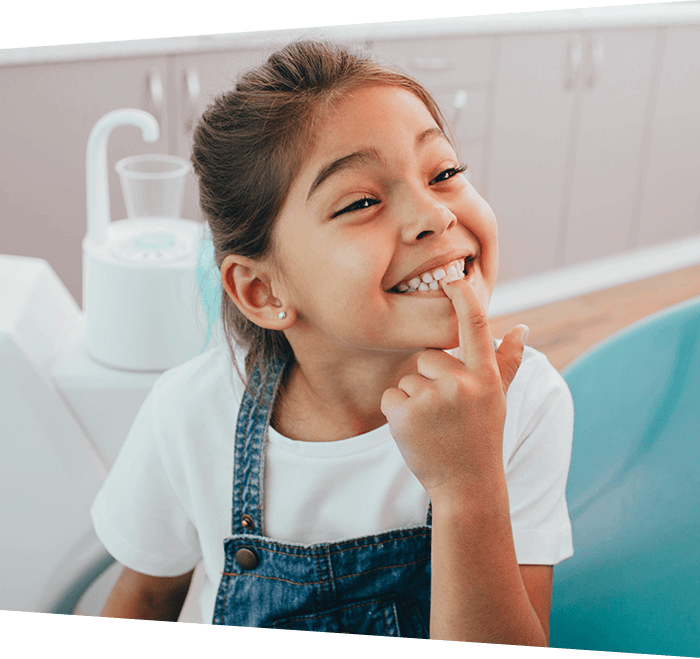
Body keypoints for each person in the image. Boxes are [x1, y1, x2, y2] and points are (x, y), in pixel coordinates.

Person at [92, 39, 574, 642]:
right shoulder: (188, 413)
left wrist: (468, 485)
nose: (435, 214)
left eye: (444, 172)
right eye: (362, 201)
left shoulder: (525, 400)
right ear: (263, 292)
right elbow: (142, 593)